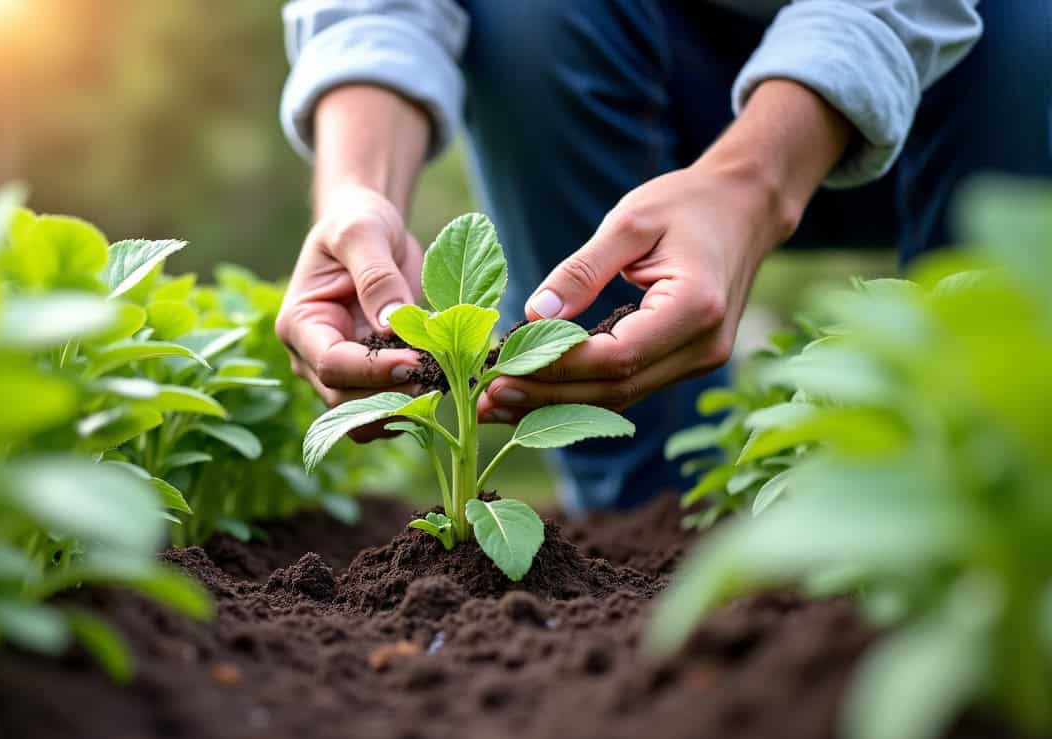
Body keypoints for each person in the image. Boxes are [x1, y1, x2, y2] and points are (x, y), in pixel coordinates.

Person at [272, 0, 1052, 514]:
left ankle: (976, 504)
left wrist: (754, 177)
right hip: (641, 85)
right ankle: (646, 530)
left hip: (954, 67)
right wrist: (357, 190)